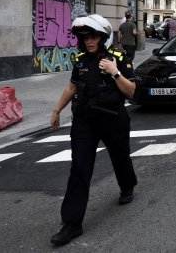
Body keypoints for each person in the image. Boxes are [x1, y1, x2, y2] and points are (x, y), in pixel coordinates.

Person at [49, 14, 137, 246]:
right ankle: (72, 224)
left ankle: (127, 186)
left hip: (113, 120)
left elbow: (131, 92)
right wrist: (57, 110)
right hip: (84, 122)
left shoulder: (118, 57)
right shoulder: (80, 60)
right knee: (79, 168)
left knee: (120, 158)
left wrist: (114, 72)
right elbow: (72, 86)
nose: (89, 41)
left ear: (103, 37)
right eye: (85, 37)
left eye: (94, 36)